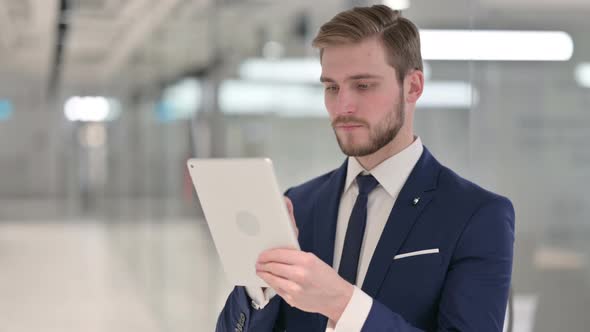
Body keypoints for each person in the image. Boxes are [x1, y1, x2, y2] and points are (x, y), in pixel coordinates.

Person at [216, 5, 515, 332]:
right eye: (332, 87)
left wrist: (342, 303)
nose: (343, 106)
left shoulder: (476, 215)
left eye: (363, 85)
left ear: (412, 86)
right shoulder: (299, 206)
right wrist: (261, 285)